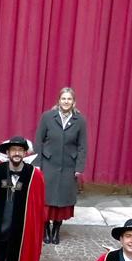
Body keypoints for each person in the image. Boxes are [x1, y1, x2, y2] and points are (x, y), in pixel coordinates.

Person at [33, 88, 87, 245]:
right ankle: (45, 229)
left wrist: (79, 167)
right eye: (63, 98)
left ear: (73, 102)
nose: (66, 102)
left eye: (69, 99)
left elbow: (82, 146)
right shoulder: (47, 117)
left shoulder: (80, 120)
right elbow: (38, 141)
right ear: (58, 100)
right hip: (48, 164)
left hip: (68, 167)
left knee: (62, 201)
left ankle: (56, 230)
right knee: (46, 200)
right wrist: (37, 164)